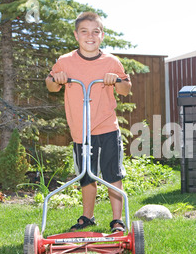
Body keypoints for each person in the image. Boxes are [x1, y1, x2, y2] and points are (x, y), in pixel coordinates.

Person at [45, 12, 131, 232]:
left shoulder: (111, 61)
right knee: (86, 175)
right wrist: (58, 79)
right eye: (84, 31)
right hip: (80, 131)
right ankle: (88, 216)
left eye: (95, 31)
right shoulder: (65, 61)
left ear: (102, 35)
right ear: (76, 35)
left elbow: (126, 88)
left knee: (113, 174)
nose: (90, 36)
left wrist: (115, 80)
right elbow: (50, 85)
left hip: (107, 127)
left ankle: (117, 220)